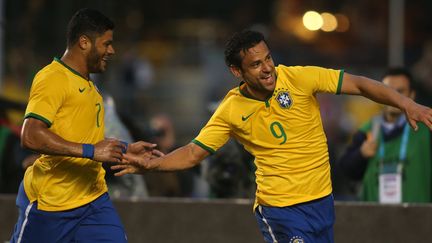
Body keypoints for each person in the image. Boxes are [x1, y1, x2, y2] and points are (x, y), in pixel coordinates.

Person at [113, 30, 432, 243]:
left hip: (322, 202)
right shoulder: (230, 110)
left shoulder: (299, 78)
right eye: (256, 64)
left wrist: (406, 103)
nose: (268, 68)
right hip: (281, 210)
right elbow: (195, 152)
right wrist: (154, 165)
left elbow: (361, 84)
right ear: (238, 72)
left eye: (268, 58)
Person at [9, 8, 158, 243]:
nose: (112, 50)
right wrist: (91, 152)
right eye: (107, 44)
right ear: (84, 42)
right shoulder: (53, 78)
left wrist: (127, 149)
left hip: (93, 200)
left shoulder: (90, 86)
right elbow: (31, 135)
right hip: (52, 204)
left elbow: (89, 137)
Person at [338, 67, 432, 203]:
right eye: (387, 91)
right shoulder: (367, 130)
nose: (393, 98)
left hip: (418, 218)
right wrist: (361, 154)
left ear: (412, 95)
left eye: (400, 92)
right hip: (376, 219)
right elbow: (345, 170)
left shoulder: (426, 129)